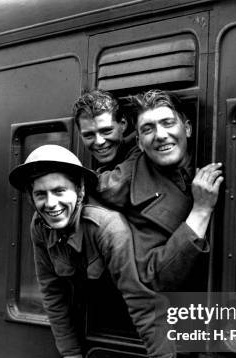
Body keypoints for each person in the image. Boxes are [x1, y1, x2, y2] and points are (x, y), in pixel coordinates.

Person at [9, 144, 178, 358]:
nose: (51, 203)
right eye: (40, 194)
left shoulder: (106, 227)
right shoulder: (39, 226)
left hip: (135, 325)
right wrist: (70, 350)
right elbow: (53, 292)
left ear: (80, 191)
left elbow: (140, 298)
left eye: (59, 191)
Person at [95, 89, 224, 291]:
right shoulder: (129, 189)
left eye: (168, 123)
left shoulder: (218, 155)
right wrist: (200, 210)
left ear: (187, 128)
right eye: (148, 129)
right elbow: (153, 277)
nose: (161, 135)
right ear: (139, 142)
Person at [72, 90, 139, 172]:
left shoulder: (141, 155)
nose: (99, 142)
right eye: (88, 135)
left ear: (123, 124)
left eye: (106, 131)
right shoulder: (104, 170)